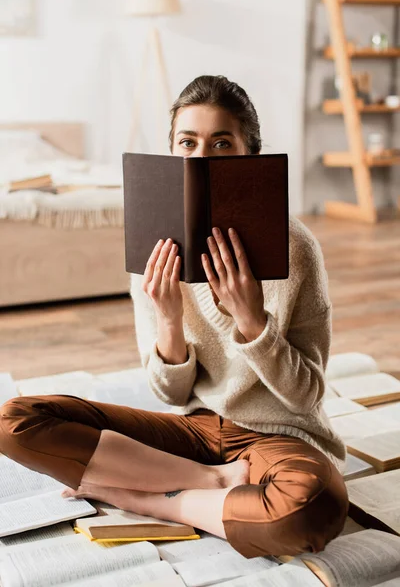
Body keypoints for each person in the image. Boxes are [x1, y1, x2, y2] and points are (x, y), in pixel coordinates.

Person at [0, 75, 348, 558]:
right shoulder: (154, 244)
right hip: (195, 431)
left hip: (279, 437)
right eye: (188, 142)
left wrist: (252, 322)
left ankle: (151, 498)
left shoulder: (295, 249)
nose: (201, 157)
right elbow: (170, 394)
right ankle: (208, 483)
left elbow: (307, 394)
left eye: (221, 143)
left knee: (310, 510)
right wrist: (168, 321)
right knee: (15, 421)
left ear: (250, 156)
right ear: (172, 152)